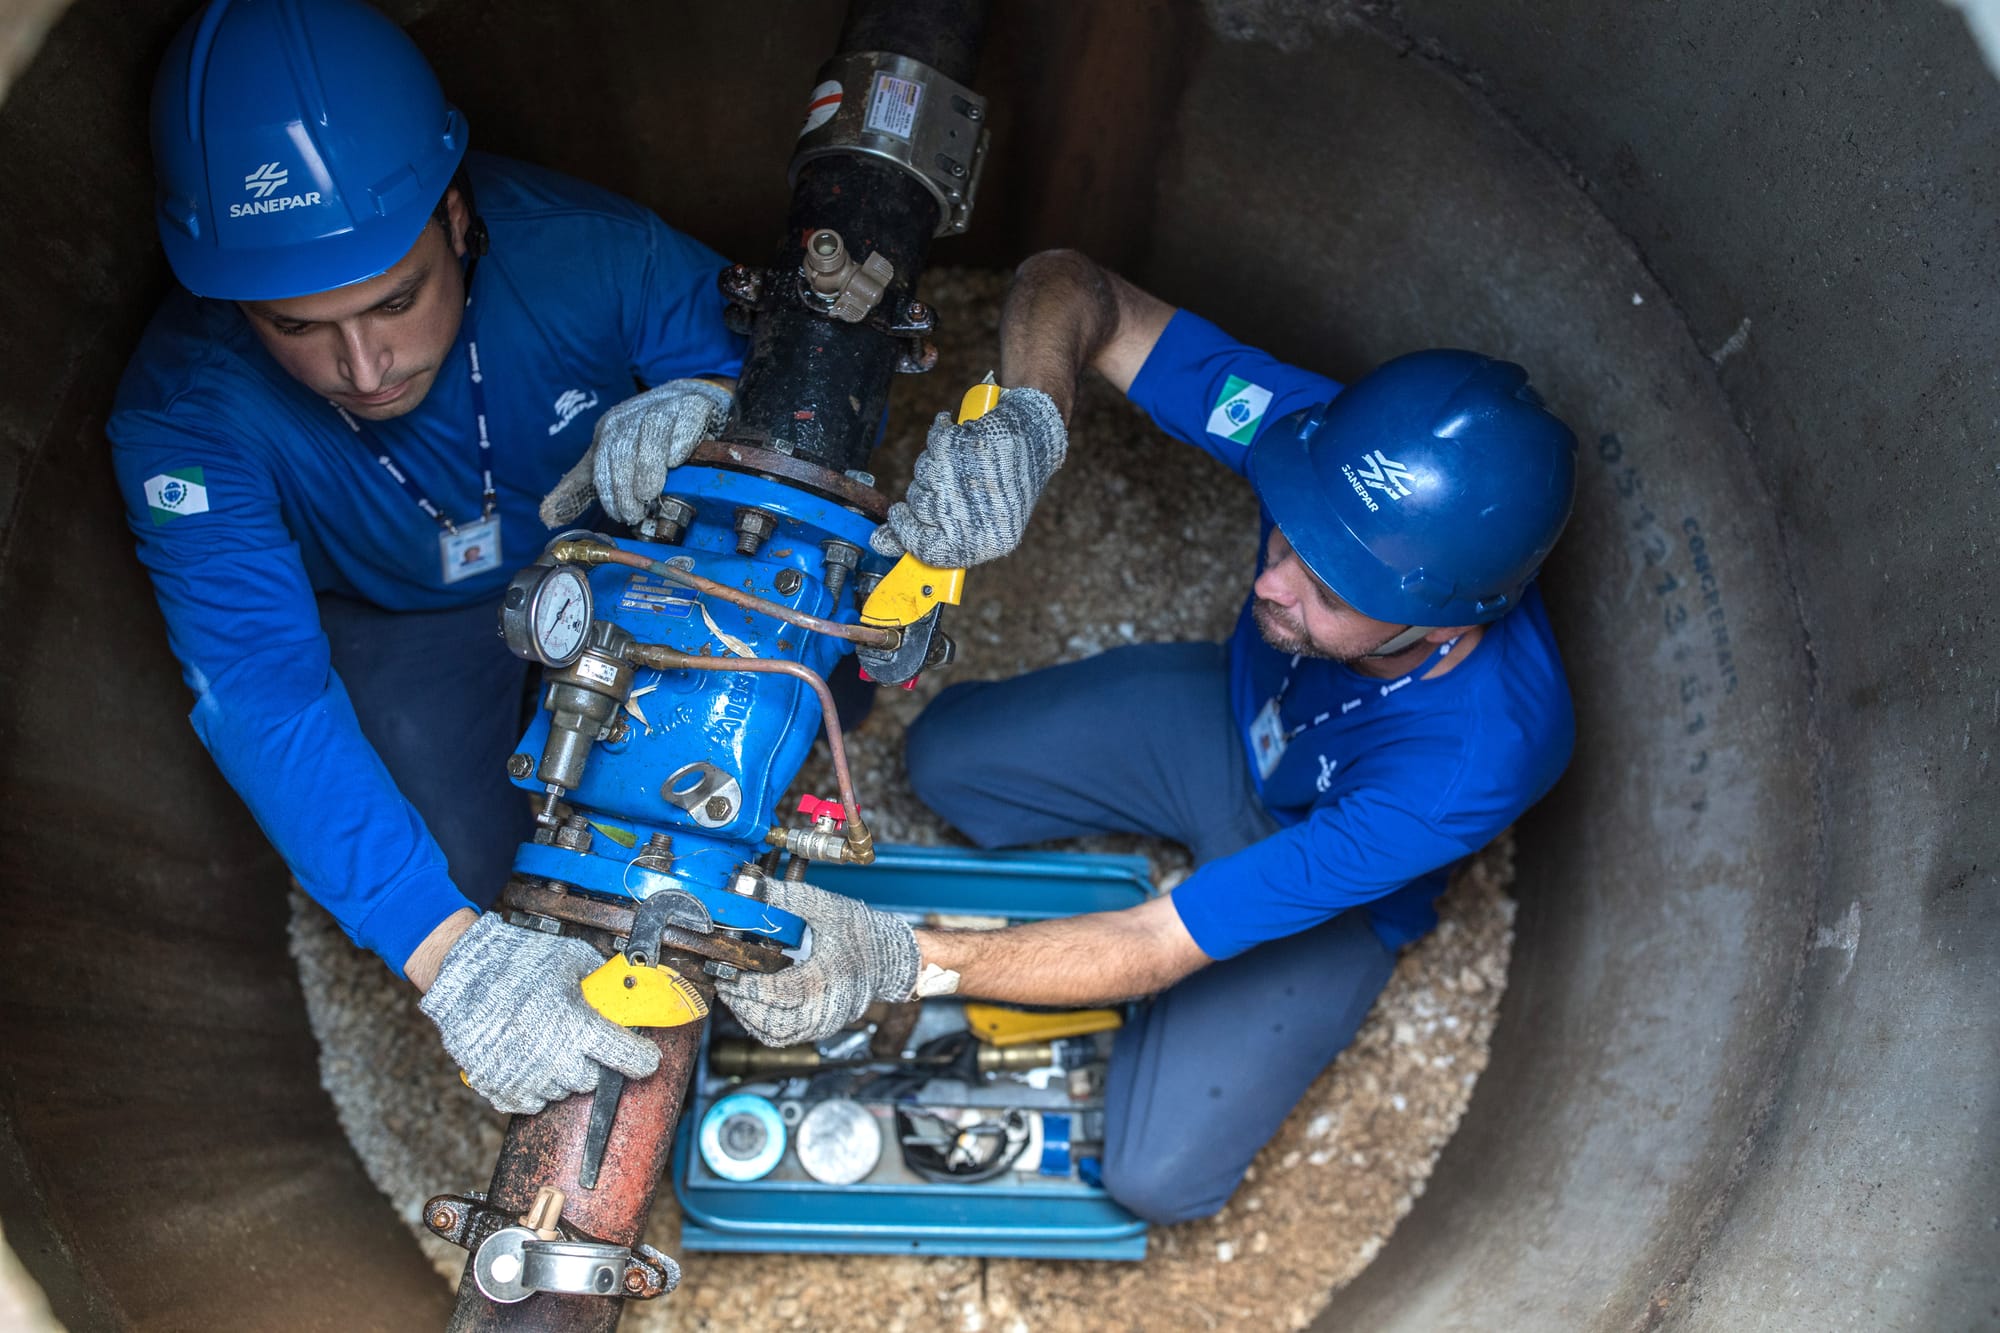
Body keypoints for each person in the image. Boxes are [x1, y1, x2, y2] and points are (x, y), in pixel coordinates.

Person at [715, 249, 1579, 1225]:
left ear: (1444, 624)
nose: (1269, 580)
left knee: (1156, 1179)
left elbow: (1154, 937)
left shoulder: (1469, 765)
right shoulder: (1325, 452)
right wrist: (1029, 418)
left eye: (1328, 592)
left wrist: (895, 960)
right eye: (1289, 535)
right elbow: (1076, 289)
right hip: (1228, 721)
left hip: (1333, 864)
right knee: (944, 761)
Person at [110, 0, 744, 1114]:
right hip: (401, 620)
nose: (362, 366)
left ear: (457, 217)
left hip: (613, 557)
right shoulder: (186, 417)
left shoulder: (592, 253)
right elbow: (262, 690)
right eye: (293, 326)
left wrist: (716, 408)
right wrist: (448, 951)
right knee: (468, 883)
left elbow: (782, 406)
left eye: (393, 300)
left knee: (749, 739)